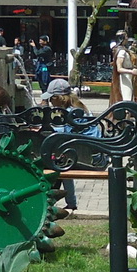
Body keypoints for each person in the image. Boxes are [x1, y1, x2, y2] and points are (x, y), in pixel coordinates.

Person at [43, 79, 99, 212]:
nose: (50, 102)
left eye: (51, 98)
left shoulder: (70, 113)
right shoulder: (80, 109)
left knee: (51, 162)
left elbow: (64, 133)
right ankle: (71, 203)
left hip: (88, 158)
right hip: (91, 154)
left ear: (58, 98)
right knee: (62, 160)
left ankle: (47, 201)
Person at [110, 32, 137, 104]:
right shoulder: (121, 51)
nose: (127, 39)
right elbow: (119, 68)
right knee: (127, 98)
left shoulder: (124, 50)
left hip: (128, 77)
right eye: (126, 37)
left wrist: (136, 67)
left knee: (131, 98)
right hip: (124, 78)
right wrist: (131, 71)